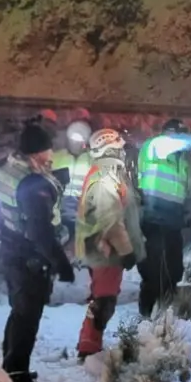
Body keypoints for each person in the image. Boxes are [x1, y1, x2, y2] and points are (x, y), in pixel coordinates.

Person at [0, 123, 75, 382]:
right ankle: (17, 376)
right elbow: (39, 229)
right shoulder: (32, 183)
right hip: (29, 255)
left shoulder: (9, 168)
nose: (50, 158)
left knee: (19, 312)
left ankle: (10, 369)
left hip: (11, 246)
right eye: (46, 153)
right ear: (33, 154)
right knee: (28, 317)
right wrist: (61, 263)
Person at [75, 128, 146, 359]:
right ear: (112, 148)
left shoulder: (109, 172)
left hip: (104, 248)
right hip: (106, 250)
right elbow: (111, 221)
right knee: (104, 301)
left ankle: (89, 345)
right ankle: (88, 348)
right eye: (120, 147)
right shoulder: (107, 176)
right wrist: (127, 251)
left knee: (104, 298)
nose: (123, 151)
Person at [135, 118, 191, 317]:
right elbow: (172, 142)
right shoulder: (155, 147)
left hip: (172, 225)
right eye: (177, 135)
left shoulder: (183, 164)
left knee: (174, 271)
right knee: (154, 272)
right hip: (152, 221)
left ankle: (166, 315)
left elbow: (187, 194)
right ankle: (146, 316)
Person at [50, 119, 93, 247]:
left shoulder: (92, 160)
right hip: (58, 207)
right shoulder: (56, 157)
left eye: (80, 140)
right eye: (73, 139)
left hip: (83, 209)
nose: (76, 143)